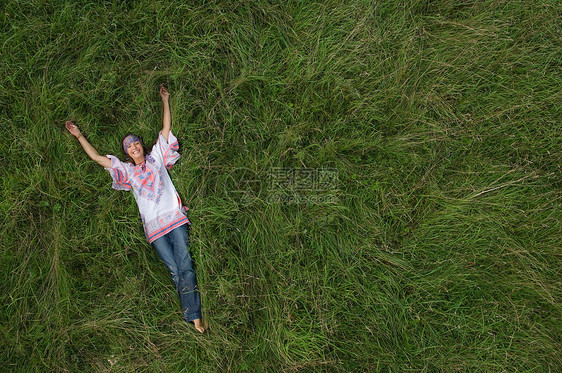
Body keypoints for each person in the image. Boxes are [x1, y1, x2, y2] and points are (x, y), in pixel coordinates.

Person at [65, 84, 206, 333]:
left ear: (142, 145)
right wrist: (79, 136)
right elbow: (98, 159)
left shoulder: (157, 157)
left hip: (174, 218)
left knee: (184, 264)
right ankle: (192, 313)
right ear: (126, 153)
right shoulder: (127, 172)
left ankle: (194, 316)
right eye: (129, 146)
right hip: (154, 229)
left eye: (136, 143)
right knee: (175, 271)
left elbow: (166, 129)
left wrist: (165, 100)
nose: (134, 147)